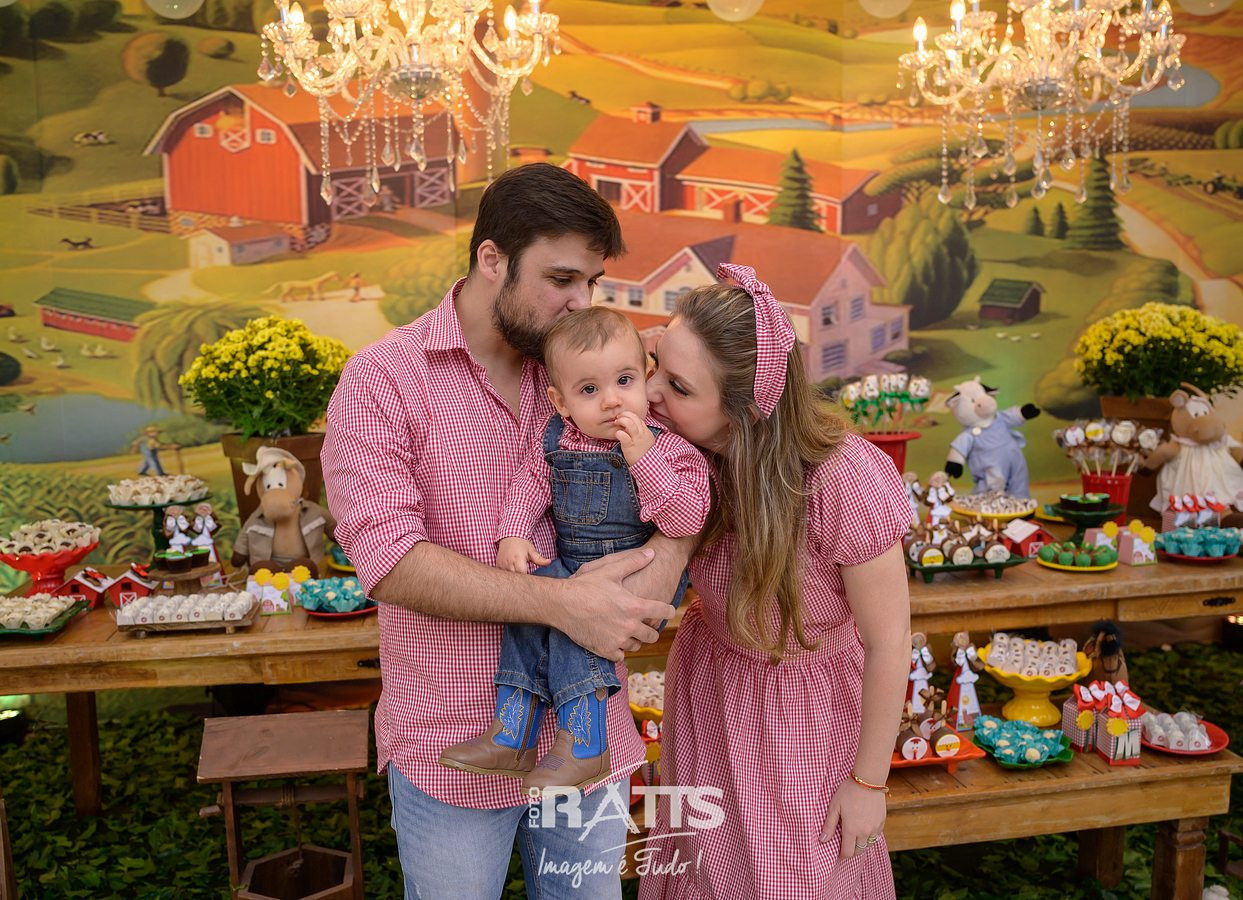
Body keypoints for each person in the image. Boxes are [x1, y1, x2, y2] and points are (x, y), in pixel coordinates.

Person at [321, 162, 693, 899]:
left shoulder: (600, 366)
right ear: (492, 259)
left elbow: (697, 467)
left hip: (590, 741)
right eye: (561, 279)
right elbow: (389, 562)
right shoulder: (381, 380)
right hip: (449, 745)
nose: (579, 301)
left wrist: (665, 560)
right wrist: (564, 604)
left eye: (590, 281)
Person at [637, 264, 912, 899]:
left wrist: (868, 783)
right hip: (708, 694)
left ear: (744, 413)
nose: (650, 392)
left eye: (677, 385)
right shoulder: (680, 456)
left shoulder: (843, 479)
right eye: (655, 366)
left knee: (798, 876)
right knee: (704, 873)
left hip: (804, 713)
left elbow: (890, 641)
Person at [439, 306, 712, 792]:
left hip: (635, 577)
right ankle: (512, 731)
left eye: (624, 381)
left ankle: (585, 743)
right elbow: (530, 484)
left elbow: (687, 519)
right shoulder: (559, 439)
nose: (611, 400)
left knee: (577, 623)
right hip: (571, 567)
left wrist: (644, 460)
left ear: (646, 376)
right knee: (529, 606)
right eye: (589, 390)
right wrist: (514, 533)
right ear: (561, 403)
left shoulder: (670, 448)